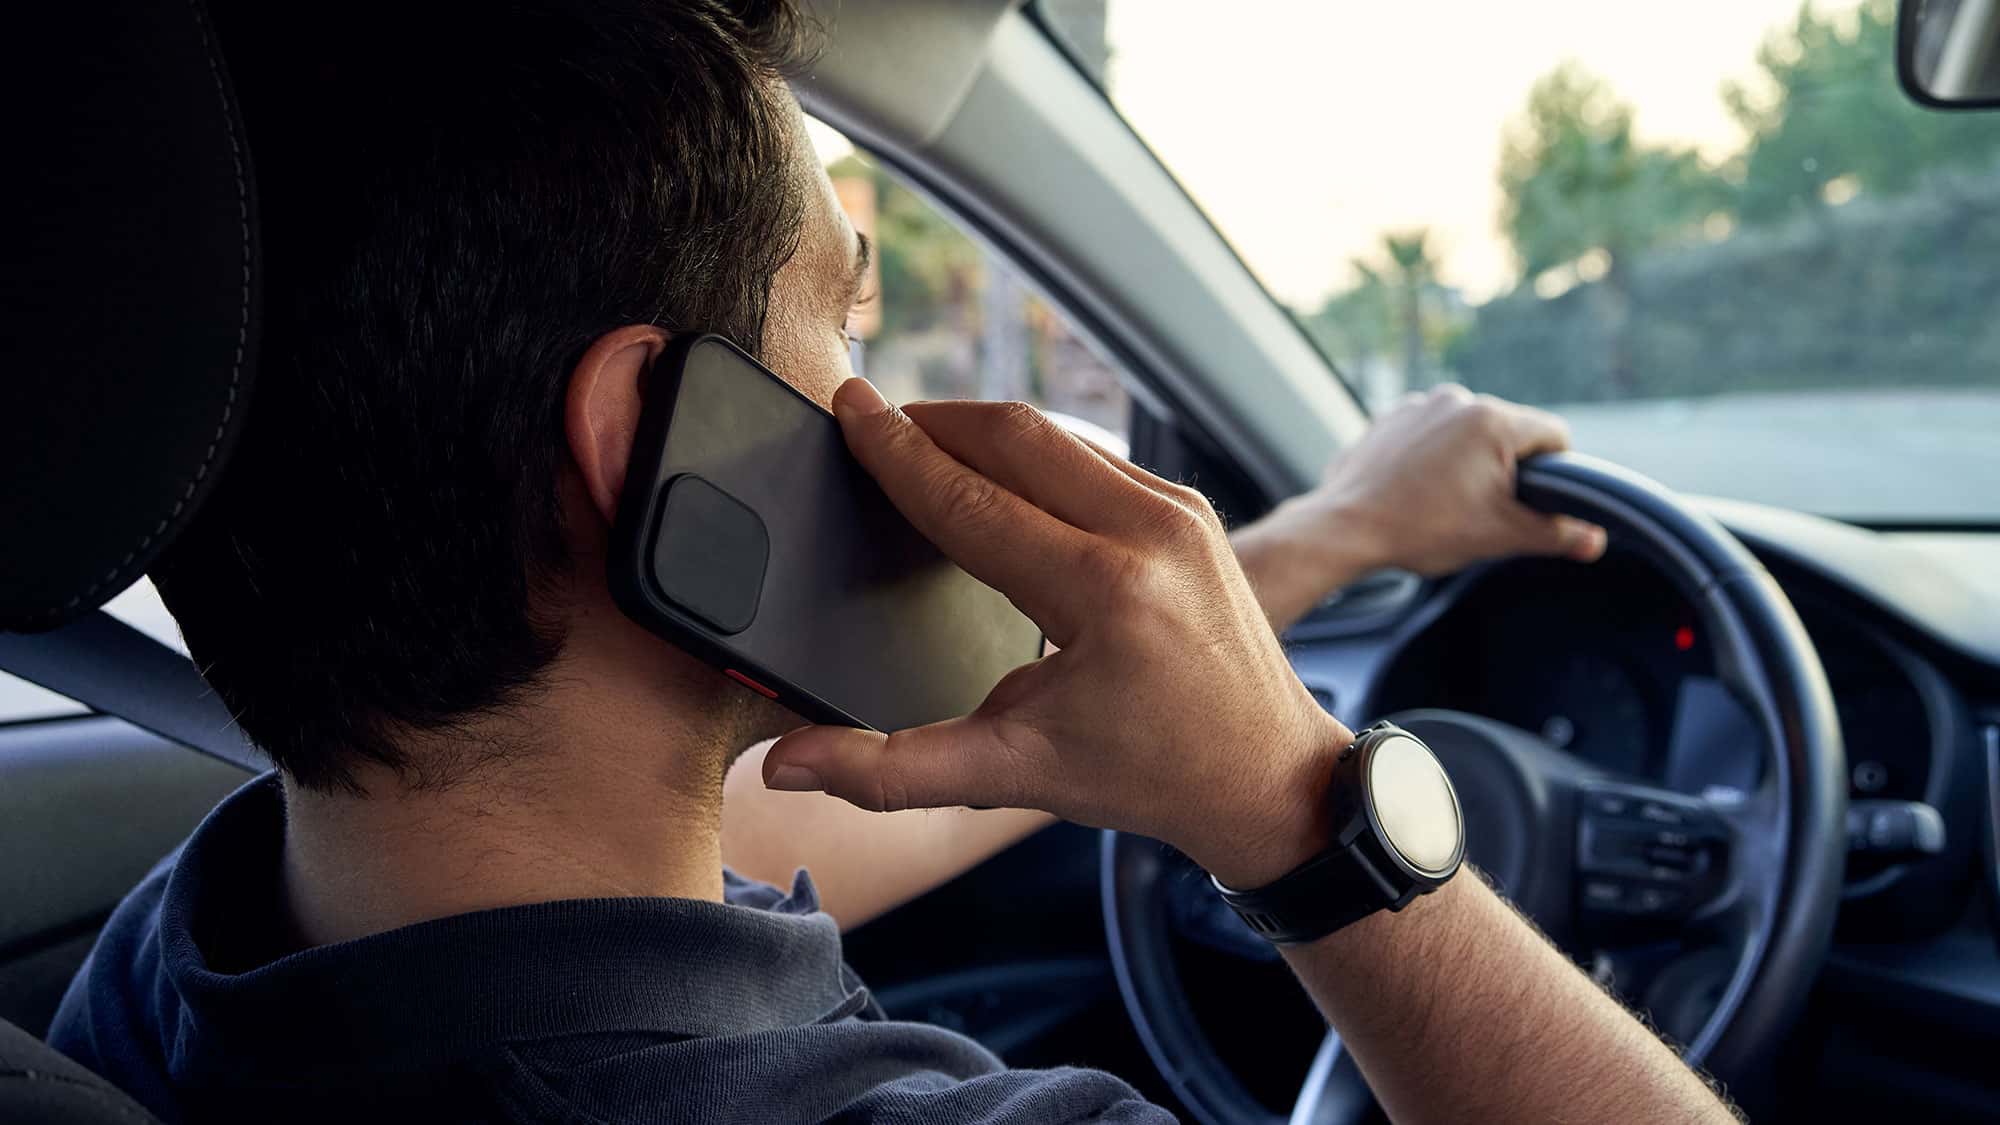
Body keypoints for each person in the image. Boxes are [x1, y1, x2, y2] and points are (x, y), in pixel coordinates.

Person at [48, 1, 1736, 1122]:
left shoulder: (193, 961)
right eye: (846, 318)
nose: (884, 405)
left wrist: (1316, 549)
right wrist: (1306, 810)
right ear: (654, 452)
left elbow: (677, 861)